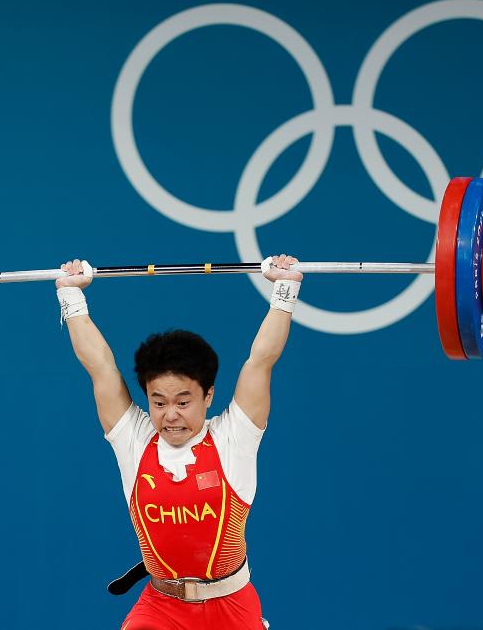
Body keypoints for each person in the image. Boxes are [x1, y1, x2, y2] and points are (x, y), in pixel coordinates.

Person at [55, 255, 302, 629]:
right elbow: (100, 367)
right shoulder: (135, 439)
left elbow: (261, 360)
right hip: (161, 608)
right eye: (159, 403)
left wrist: (285, 288)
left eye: (183, 402)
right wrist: (71, 296)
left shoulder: (234, 436)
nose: (170, 415)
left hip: (231, 609)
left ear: (208, 396)